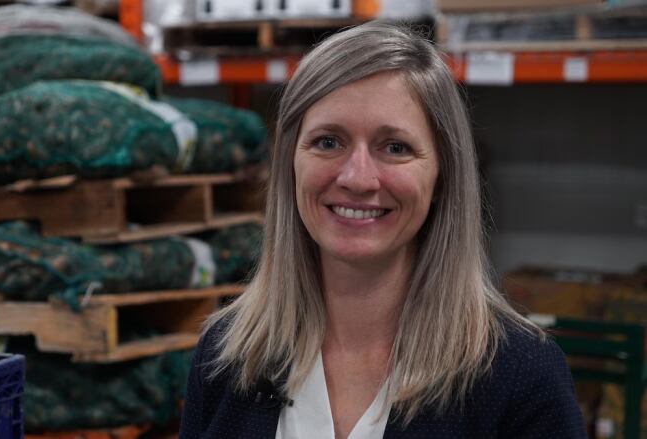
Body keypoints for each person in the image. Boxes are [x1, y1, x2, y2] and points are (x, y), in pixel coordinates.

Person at [179, 21, 585, 439]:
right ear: (290, 164)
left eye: (395, 148)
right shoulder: (225, 355)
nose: (357, 178)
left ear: (442, 177)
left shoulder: (520, 376)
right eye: (328, 142)